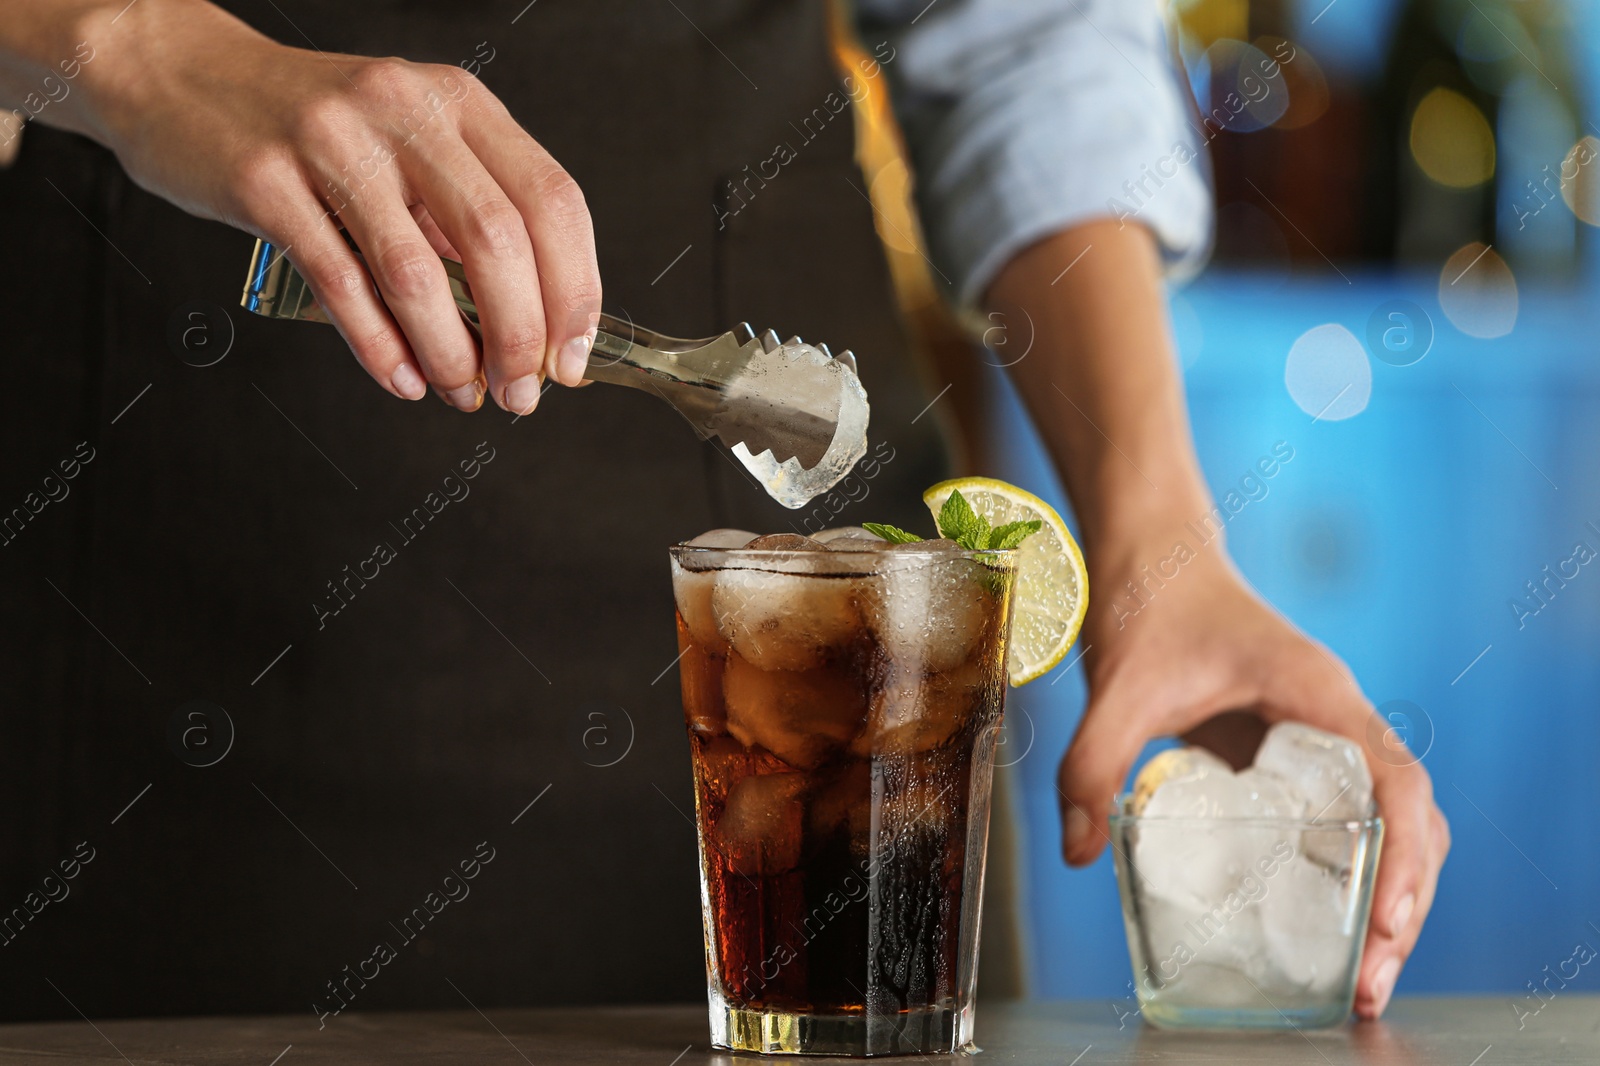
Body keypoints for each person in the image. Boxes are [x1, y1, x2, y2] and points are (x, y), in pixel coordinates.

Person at [0, 0, 1444, 1024]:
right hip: (156, 570)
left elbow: (1025, 36)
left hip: (812, 644)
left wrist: (1161, 546)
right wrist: (126, 43)